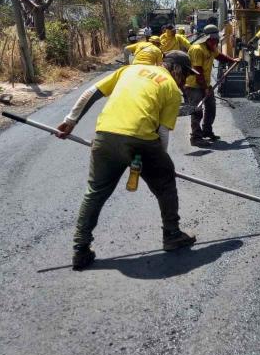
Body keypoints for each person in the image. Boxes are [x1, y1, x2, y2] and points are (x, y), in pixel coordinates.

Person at [56, 51, 200, 270]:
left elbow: (91, 92)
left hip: (105, 135)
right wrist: (157, 164)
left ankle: (80, 249)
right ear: (177, 70)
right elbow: (162, 133)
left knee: (95, 192)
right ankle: (172, 234)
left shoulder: (129, 70)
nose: (185, 81)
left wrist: (70, 121)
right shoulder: (171, 88)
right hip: (141, 139)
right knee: (165, 184)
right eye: (186, 75)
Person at [185, 26, 239, 147]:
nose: (216, 43)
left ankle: (207, 131)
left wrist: (232, 60)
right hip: (193, 85)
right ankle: (195, 137)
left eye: (216, 40)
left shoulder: (211, 47)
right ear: (207, 39)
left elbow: (219, 56)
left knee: (211, 108)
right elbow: (197, 71)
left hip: (205, 84)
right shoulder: (197, 49)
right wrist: (205, 88)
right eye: (214, 40)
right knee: (197, 111)